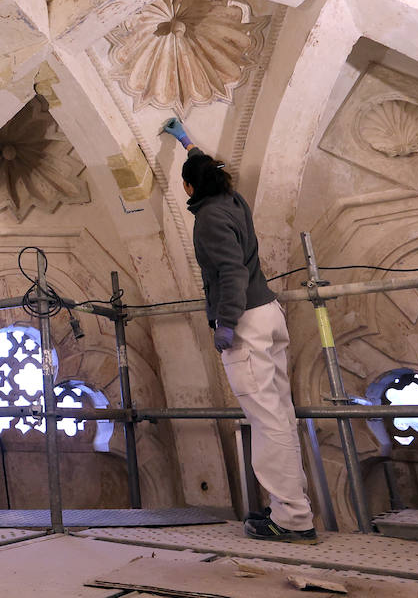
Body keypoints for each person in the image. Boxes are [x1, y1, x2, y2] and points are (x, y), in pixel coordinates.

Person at [162, 117, 318, 544]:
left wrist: (226, 325)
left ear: (191, 189)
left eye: (185, 185)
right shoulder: (233, 200)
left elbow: (229, 274)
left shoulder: (208, 220)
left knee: (267, 423)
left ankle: (292, 518)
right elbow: (206, 168)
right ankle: (292, 508)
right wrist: (187, 144)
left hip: (245, 321)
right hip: (267, 312)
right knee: (280, 415)